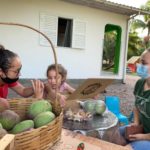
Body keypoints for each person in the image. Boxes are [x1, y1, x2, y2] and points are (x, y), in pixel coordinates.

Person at [119, 48, 150, 150]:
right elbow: (137, 106)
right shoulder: (140, 83)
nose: (139, 65)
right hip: (142, 130)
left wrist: (144, 137)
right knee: (114, 135)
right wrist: (136, 123)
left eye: (143, 63)